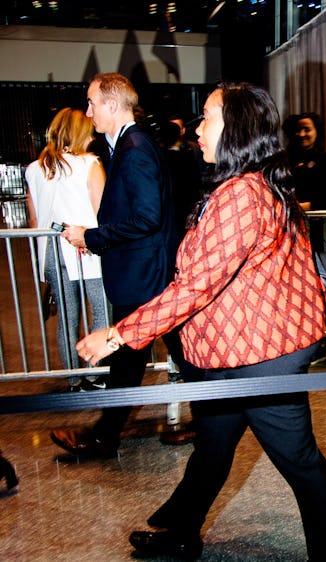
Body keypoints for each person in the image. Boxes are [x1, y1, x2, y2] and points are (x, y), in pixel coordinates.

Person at [74, 82, 326, 561]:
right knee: (212, 446)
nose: (197, 128)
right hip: (237, 349)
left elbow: (197, 285)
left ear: (237, 129)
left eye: (207, 118)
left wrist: (118, 334)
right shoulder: (248, 183)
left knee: (299, 460)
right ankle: (182, 532)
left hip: (262, 356)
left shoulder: (242, 195)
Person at [50, 73, 192, 458]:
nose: (88, 111)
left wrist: (91, 237)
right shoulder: (127, 145)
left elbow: (147, 217)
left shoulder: (135, 148)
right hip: (142, 274)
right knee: (148, 356)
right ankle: (108, 435)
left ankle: (105, 437)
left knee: (134, 358)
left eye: (93, 102)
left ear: (113, 105)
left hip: (143, 277)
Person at [24, 107, 108, 391]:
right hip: (87, 247)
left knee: (67, 317)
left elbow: (34, 219)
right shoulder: (89, 164)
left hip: (51, 249)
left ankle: (74, 377)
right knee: (101, 310)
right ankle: (97, 371)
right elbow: (102, 211)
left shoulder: (35, 169)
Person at [283, 112, 326, 364]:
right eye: (298, 130)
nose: (302, 134)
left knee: (320, 287)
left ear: (316, 131)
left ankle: (320, 340)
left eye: (307, 129)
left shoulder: (325, 159)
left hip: (319, 232)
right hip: (292, 233)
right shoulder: (284, 158)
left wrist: (299, 205)